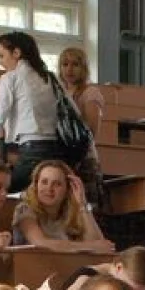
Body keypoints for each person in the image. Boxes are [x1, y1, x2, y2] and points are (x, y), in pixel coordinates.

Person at [0, 31, 79, 193]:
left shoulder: (10, 77)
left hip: (32, 148)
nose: (0, 62)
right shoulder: (51, 78)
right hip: (58, 149)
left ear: (16, 53)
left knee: (1, 189)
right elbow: (74, 110)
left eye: (1, 56)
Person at [11, 160, 112, 251]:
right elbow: (40, 243)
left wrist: (82, 203)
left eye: (57, 184)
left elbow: (100, 245)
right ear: (36, 185)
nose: (49, 188)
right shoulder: (24, 209)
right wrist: (89, 246)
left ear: (68, 189)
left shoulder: (71, 211)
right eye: (44, 182)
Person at [58, 47, 104, 208]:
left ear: (83, 68)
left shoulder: (90, 93)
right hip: (62, 156)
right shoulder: (58, 92)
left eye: (75, 64)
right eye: (65, 64)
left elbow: (91, 131)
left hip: (84, 158)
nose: (69, 69)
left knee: (85, 207)